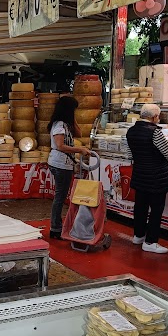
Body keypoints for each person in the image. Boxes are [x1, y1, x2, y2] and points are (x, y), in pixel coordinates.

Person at [126, 104, 168, 254]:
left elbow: (129, 156)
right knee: (156, 209)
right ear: (154, 117)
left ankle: (138, 236)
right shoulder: (155, 133)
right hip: (156, 177)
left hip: (139, 175)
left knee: (140, 207)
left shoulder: (130, 131)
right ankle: (151, 241)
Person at [47, 96, 91, 240]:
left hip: (63, 163)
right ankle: (55, 228)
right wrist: (79, 150)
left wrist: (73, 119)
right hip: (60, 163)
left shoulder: (65, 124)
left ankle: (56, 227)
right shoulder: (59, 125)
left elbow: (79, 133)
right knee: (60, 197)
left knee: (60, 195)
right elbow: (60, 145)